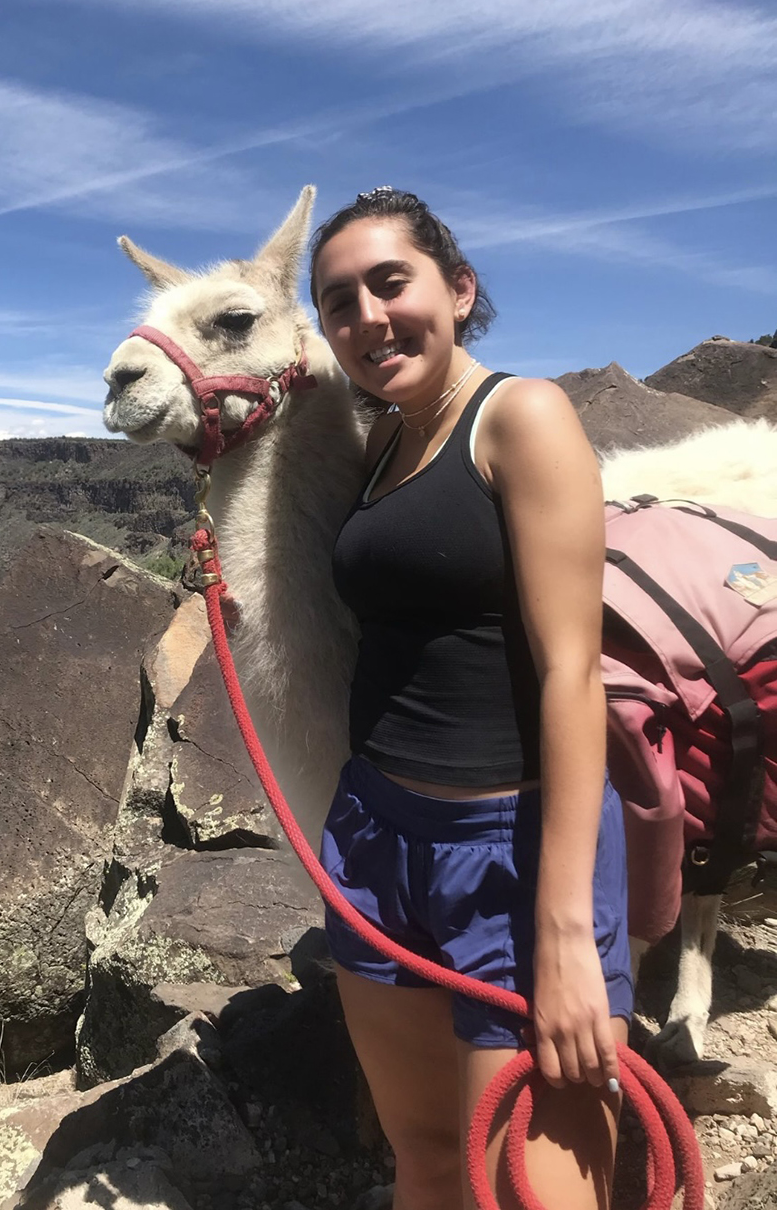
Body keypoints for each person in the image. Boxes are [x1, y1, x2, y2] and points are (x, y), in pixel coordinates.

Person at [309, 187, 633, 1210]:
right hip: (372, 835)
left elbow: (571, 669)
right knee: (427, 1158)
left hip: (513, 844)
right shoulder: (381, 443)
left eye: (388, 282)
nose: (367, 317)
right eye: (337, 302)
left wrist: (564, 930)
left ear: (457, 287)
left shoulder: (520, 416)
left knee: (527, 1187)